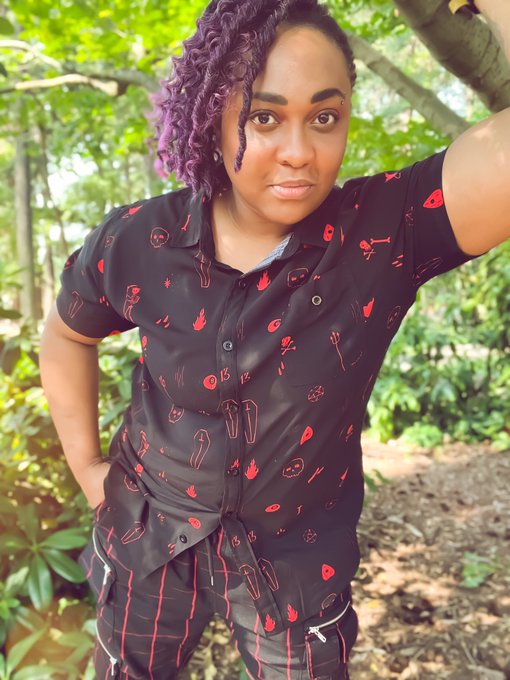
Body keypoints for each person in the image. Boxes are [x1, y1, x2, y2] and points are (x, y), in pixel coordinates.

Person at [39, 0, 510, 678]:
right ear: (213, 117)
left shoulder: (386, 233)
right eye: (264, 117)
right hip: (148, 537)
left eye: (325, 117)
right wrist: (88, 470)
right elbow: (66, 334)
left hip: (295, 565)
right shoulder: (140, 240)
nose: (299, 152)